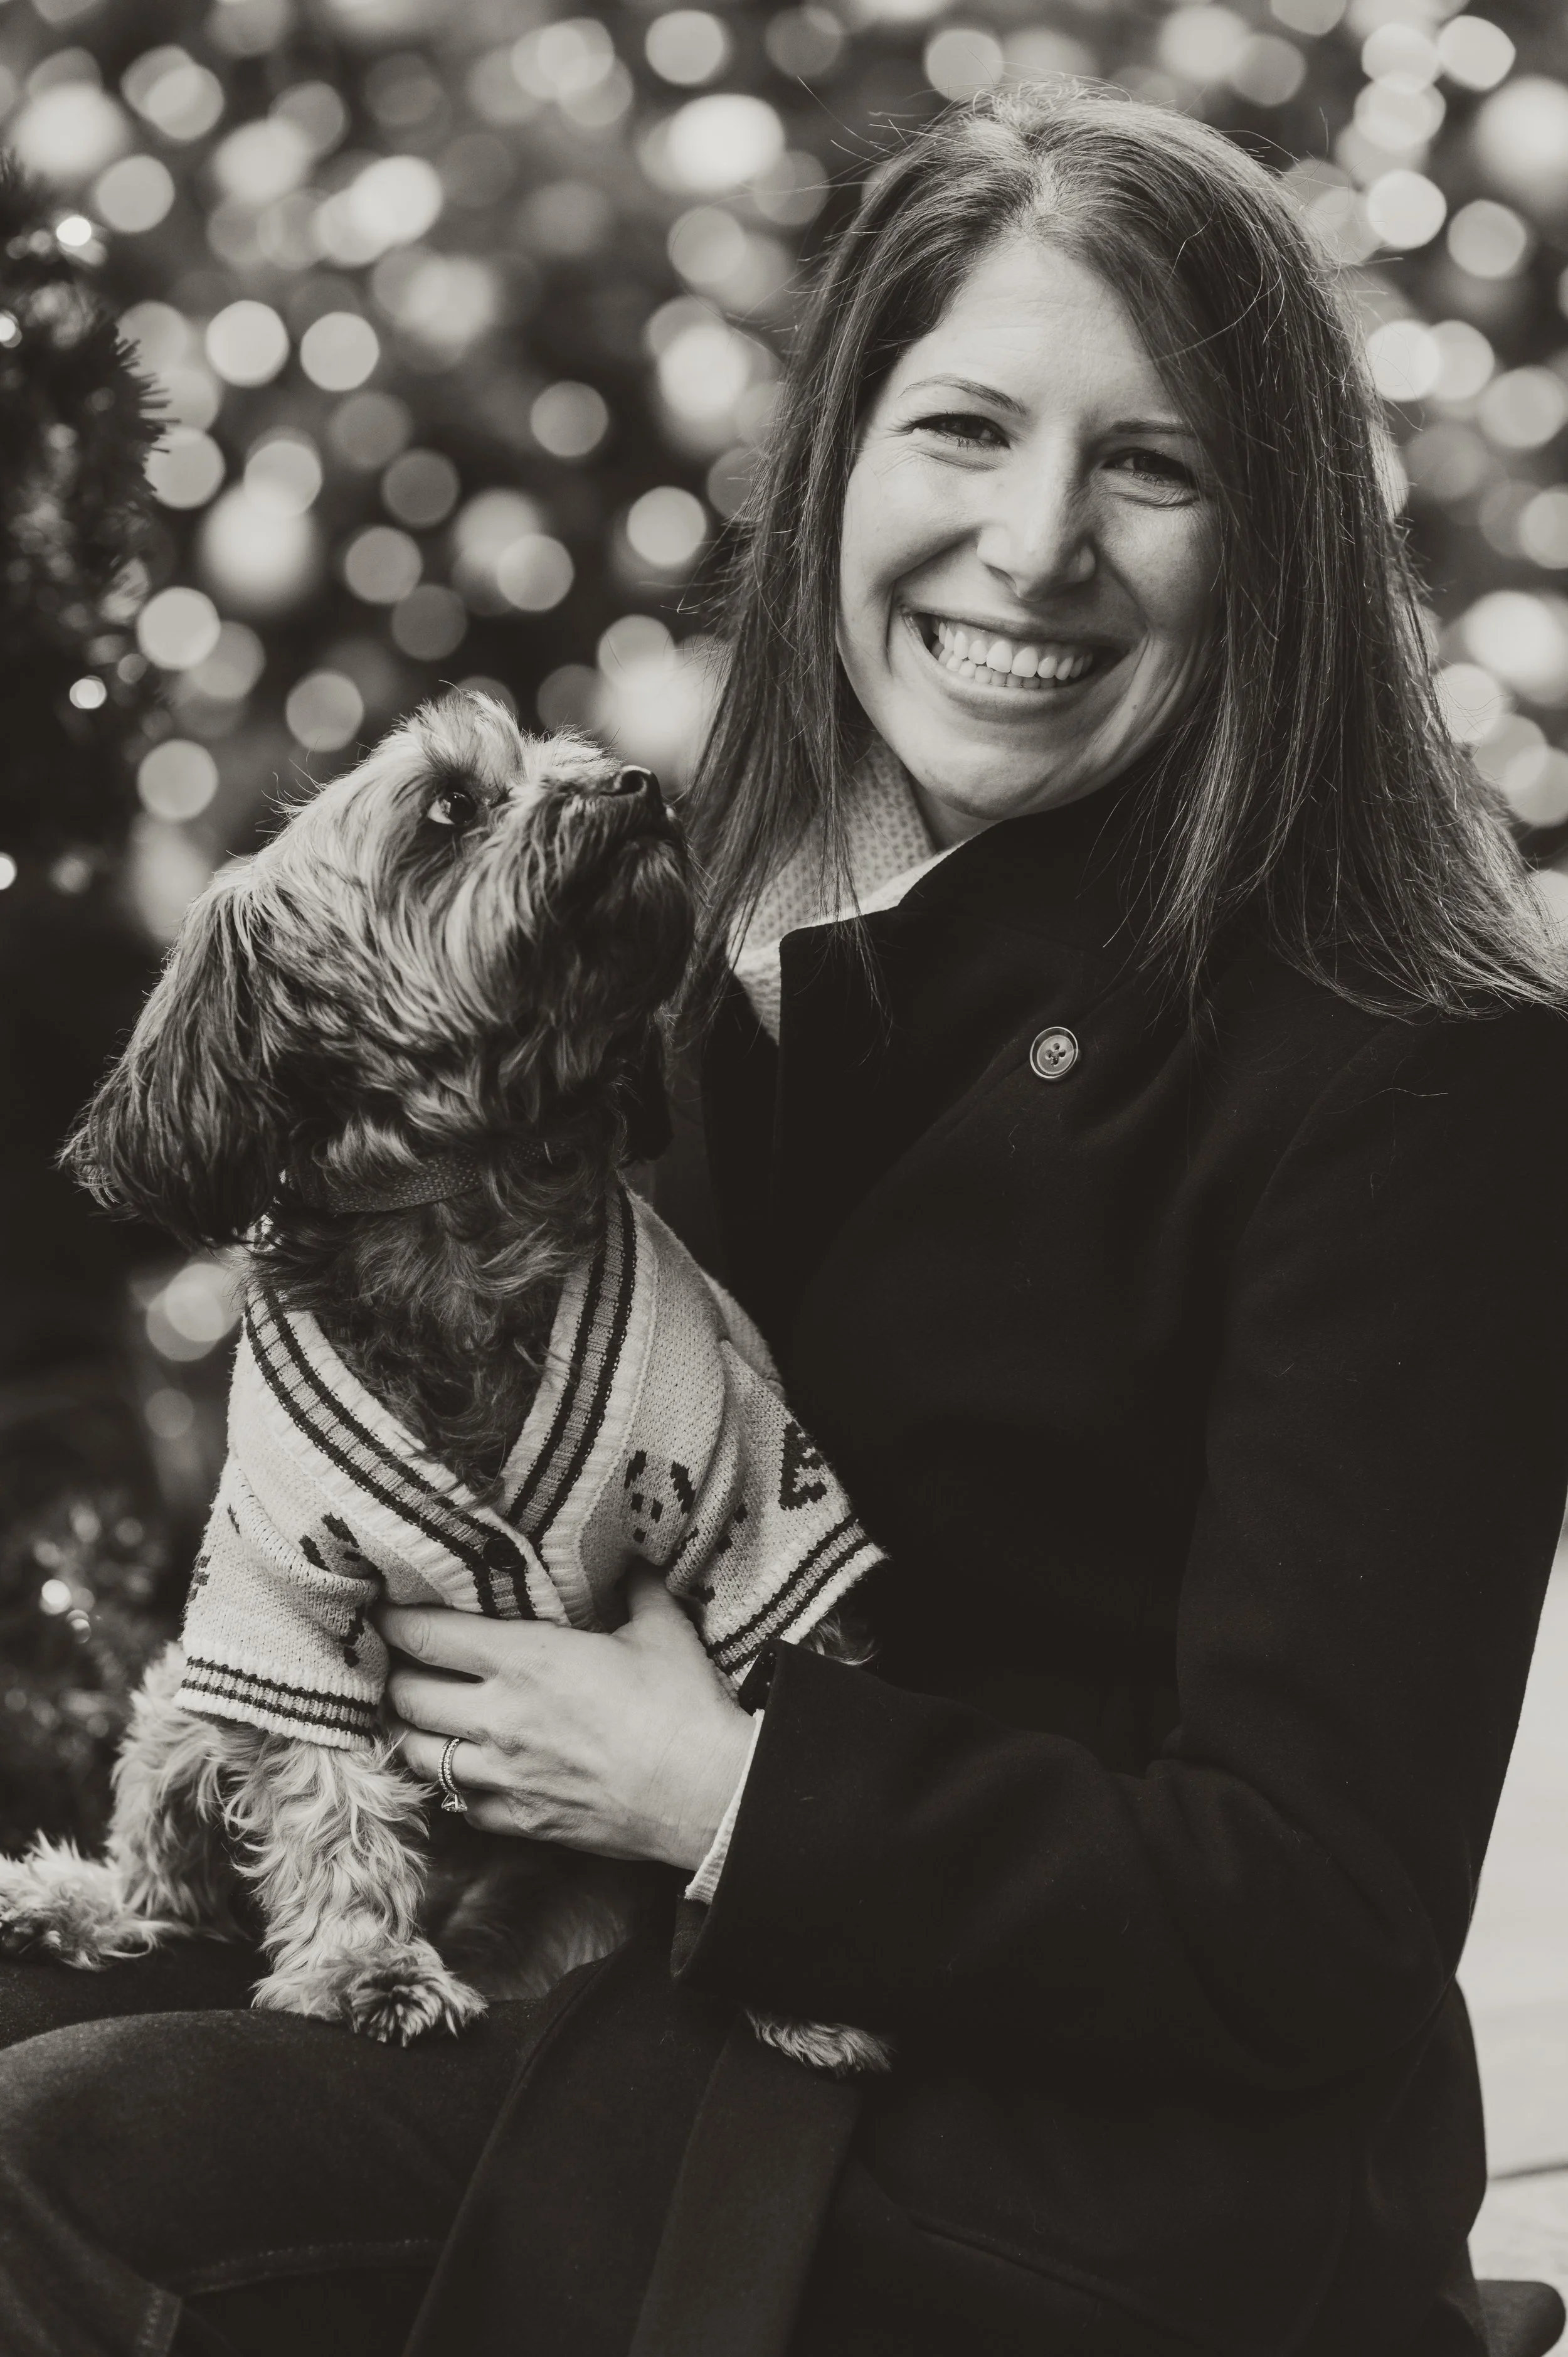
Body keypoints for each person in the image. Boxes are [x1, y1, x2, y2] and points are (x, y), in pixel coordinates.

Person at [2, 85, 1567, 2357]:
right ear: (838, 464)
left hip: (1071, 2153)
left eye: (1151, 466)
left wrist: (718, 1783)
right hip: (623, 1965)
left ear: (1278, 543)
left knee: (57, 2160)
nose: (1029, 547)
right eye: (960, 431)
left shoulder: (1420, 1062)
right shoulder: (702, 936)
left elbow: (1311, 1908)